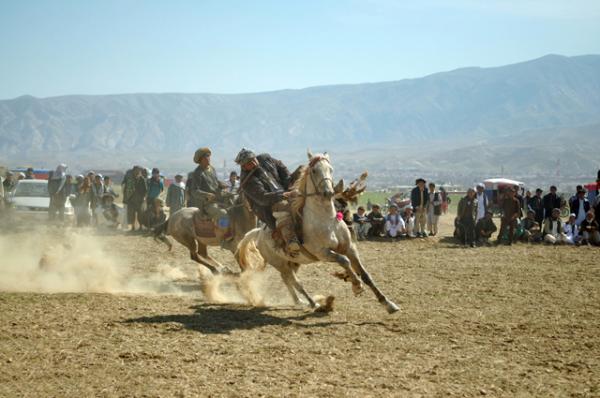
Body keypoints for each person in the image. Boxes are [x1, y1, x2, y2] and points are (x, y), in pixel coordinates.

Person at [235, 148, 300, 255]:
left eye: (253, 159)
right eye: (249, 163)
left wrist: (289, 183)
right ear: (244, 166)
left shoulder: (265, 158)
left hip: (285, 189)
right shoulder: (247, 181)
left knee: (303, 170)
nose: (253, 163)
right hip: (267, 206)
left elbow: (281, 167)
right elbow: (263, 198)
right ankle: (291, 241)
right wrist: (283, 195)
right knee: (284, 206)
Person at [190, 148, 232, 239]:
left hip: (219, 198)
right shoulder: (197, 173)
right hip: (207, 203)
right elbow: (194, 191)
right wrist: (207, 195)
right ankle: (224, 235)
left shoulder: (212, 169)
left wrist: (222, 185)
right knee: (223, 214)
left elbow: (215, 182)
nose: (208, 159)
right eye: (206, 157)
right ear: (200, 160)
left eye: (209, 157)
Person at [127, 167, 147, 231]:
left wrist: (144, 197)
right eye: (136, 171)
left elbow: (145, 189)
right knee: (131, 214)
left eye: (138, 171)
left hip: (140, 199)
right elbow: (127, 189)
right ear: (133, 171)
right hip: (131, 199)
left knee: (140, 214)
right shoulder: (130, 179)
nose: (137, 172)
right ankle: (132, 227)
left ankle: (140, 226)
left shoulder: (142, 179)